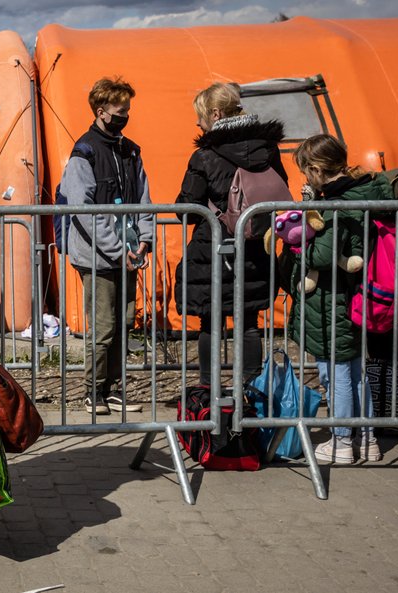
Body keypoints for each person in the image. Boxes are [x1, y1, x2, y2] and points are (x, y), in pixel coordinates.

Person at [285, 134, 392, 464]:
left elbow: (324, 254)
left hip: (333, 299)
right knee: (355, 372)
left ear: (317, 169)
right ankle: (368, 439)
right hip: (355, 295)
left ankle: (342, 441)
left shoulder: (336, 203)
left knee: (337, 374)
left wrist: (298, 243)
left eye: (306, 171)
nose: (305, 178)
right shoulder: (363, 192)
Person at [175, 82, 287, 386]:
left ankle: (210, 394)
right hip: (256, 247)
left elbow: (186, 208)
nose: (198, 123)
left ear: (214, 113)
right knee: (249, 322)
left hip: (213, 250)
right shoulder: (268, 149)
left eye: (200, 115)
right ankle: (251, 394)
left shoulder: (206, 156)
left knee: (211, 323)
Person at [58, 76, 152, 415]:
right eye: (120, 110)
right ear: (101, 111)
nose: (125, 115)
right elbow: (84, 212)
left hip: (128, 254)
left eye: (127, 109)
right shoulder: (84, 152)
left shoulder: (130, 151)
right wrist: (117, 249)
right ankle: (92, 392)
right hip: (98, 257)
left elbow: (143, 198)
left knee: (124, 322)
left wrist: (145, 238)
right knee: (103, 326)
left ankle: (113, 389)